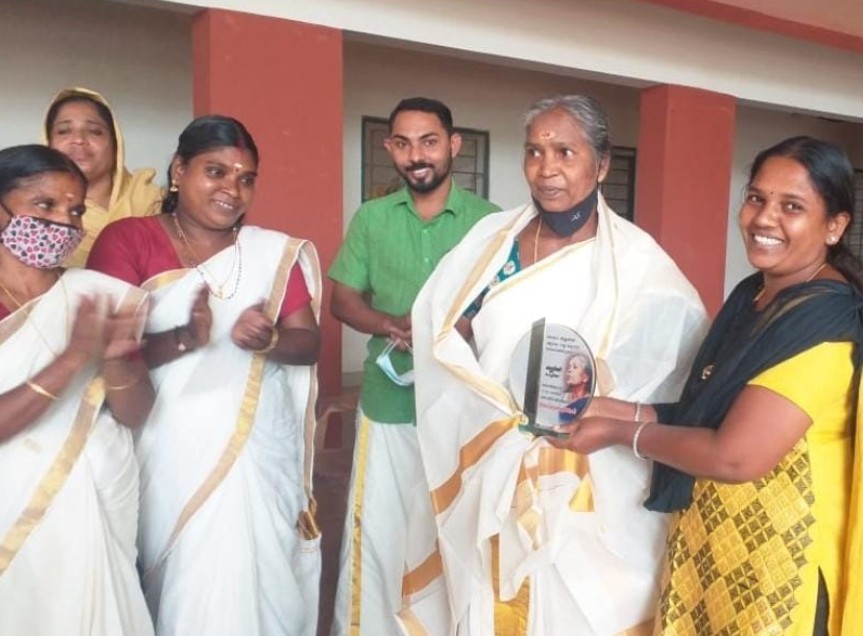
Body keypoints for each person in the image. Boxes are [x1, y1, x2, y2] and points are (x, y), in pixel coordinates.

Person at [554, 136, 863, 635]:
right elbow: (711, 407)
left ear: (835, 225)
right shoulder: (755, 296)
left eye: (792, 207)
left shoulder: (825, 325)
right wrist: (612, 408)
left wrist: (618, 432)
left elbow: (736, 455)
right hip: (721, 549)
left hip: (785, 567)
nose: (764, 218)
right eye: (757, 198)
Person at [407, 95, 708, 634]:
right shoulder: (492, 243)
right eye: (534, 152)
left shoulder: (638, 265)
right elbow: (445, 328)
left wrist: (596, 404)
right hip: (491, 454)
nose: (546, 169)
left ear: (602, 164)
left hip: (586, 475)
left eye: (565, 152)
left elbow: (672, 362)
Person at [87, 115, 323, 636]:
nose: (231, 189)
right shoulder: (129, 239)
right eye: (215, 172)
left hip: (257, 450)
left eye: (246, 178)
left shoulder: (268, 253)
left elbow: (308, 343)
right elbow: (102, 353)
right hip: (164, 445)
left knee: (259, 569)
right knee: (182, 577)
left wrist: (270, 340)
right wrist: (182, 339)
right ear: (178, 171)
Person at [328, 97, 500, 635]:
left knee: (452, 531)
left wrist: (449, 331)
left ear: (453, 145)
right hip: (388, 406)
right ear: (389, 149)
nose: (416, 155)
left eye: (428, 141)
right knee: (378, 531)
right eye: (403, 144)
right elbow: (341, 300)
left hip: (460, 408)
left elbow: (503, 303)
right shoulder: (372, 218)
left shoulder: (489, 222)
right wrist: (388, 324)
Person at [0, 144, 154, 635]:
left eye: (75, 210)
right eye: (44, 205)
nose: (63, 223)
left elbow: (136, 413)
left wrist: (113, 358)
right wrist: (72, 358)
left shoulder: (95, 294)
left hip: (96, 498)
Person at [43, 87, 163, 267]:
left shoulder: (152, 200)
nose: (79, 139)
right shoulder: (34, 210)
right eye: (64, 131)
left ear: (116, 143)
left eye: (95, 131)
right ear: (48, 143)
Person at [560, 352, 593, 423]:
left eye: (575, 367)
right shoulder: (563, 397)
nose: (569, 370)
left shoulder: (588, 403)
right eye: (569, 367)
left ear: (585, 377)